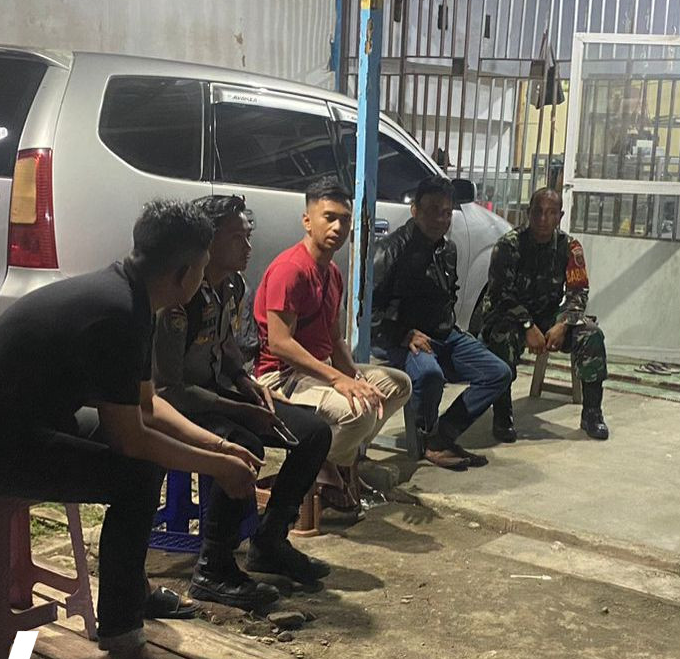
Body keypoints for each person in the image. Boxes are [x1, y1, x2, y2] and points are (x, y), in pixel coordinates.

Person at [0, 200, 261, 659]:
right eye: (201, 267)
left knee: (144, 464)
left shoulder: (131, 295)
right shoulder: (119, 312)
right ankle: (125, 654)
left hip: (22, 422)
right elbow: (133, 440)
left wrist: (217, 446)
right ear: (184, 273)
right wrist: (219, 467)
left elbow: (146, 406)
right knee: (136, 475)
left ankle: (131, 591)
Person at [152, 195, 334, 608]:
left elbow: (226, 344)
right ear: (208, 241)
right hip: (181, 406)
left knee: (313, 433)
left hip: (220, 393)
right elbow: (169, 389)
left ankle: (269, 541)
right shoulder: (180, 295)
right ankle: (212, 568)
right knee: (244, 445)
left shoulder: (232, 285)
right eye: (238, 238)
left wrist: (247, 383)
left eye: (248, 236)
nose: (248, 247)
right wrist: (240, 408)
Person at [254, 177, 412, 482]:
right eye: (329, 218)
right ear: (307, 221)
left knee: (396, 385)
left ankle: (334, 462)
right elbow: (280, 344)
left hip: (319, 369)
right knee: (360, 412)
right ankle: (319, 471)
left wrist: (354, 378)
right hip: (282, 376)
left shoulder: (333, 273)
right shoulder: (291, 270)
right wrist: (338, 379)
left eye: (345, 219)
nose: (338, 227)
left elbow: (335, 338)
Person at [373, 178, 514, 469]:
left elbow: (448, 295)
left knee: (498, 373)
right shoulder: (389, 251)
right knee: (429, 375)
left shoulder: (448, 250)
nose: (441, 219)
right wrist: (403, 334)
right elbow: (367, 313)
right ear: (415, 210)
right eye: (433, 210)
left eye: (447, 212)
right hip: (401, 340)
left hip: (444, 335)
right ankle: (425, 438)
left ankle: (442, 436)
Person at [472, 188, 610, 441]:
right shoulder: (509, 245)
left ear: (560, 216)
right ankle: (502, 414)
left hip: (548, 316)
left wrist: (563, 324)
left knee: (591, 335)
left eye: (551, 213)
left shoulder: (570, 247)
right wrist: (527, 326)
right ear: (529, 213)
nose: (543, 219)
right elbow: (501, 295)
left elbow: (578, 293)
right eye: (538, 212)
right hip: (509, 316)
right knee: (502, 338)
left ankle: (592, 413)